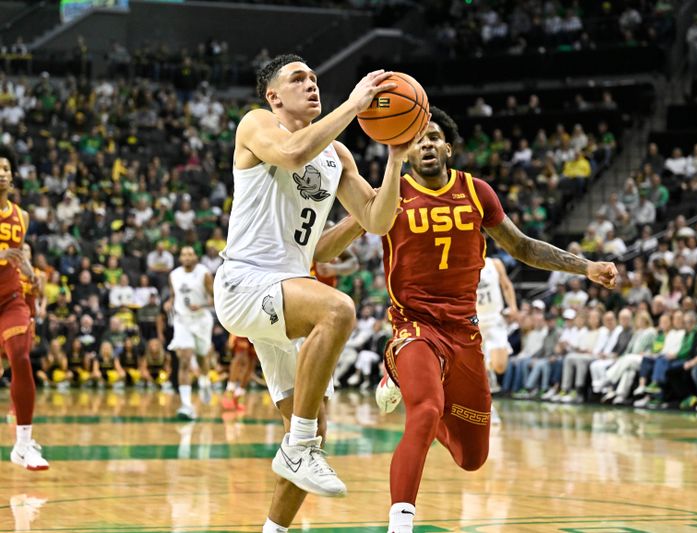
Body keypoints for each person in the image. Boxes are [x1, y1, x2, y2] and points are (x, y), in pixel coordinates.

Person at [316, 106, 617, 533]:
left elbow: (524, 248)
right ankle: (400, 522)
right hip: (414, 325)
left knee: (471, 459)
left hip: (464, 331)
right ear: (404, 145)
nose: (427, 144)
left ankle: (412, 386)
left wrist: (585, 266)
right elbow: (325, 252)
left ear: (449, 148)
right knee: (425, 411)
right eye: (418, 137)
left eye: (435, 136)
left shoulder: (476, 192)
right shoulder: (392, 194)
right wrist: (345, 227)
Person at [212, 54, 418, 533]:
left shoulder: (337, 156)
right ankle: (300, 446)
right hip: (245, 282)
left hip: (287, 289)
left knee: (314, 427)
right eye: (298, 79)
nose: (310, 85)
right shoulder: (257, 124)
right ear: (274, 95)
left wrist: (393, 159)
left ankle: (276, 523)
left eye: (314, 79)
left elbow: (376, 220)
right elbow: (291, 155)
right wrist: (353, 104)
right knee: (338, 309)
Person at [0, 145, 49, 470]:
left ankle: (22, 444)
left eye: (5, 168)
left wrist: (30, 273)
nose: (1, 173)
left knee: (20, 354)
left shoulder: (22, 216)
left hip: (10, 299)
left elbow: (17, 260)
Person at [164, 246, 214, 420]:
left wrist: (202, 305)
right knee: (184, 359)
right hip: (182, 320)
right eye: (184, 254)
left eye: (190, 254)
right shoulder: (174, 275)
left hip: (201, 320)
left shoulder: (204, 273)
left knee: (201, 358)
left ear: (195, 257)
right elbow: (173, 295)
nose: (187, 257)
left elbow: (215, 299)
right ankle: (186, 405)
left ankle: (205, 381)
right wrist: (169, 302)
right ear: (179, 258)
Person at [476, 255, 518, 403]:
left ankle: (488, 367)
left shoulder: (494, 263)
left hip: (495, 320)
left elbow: (506, 285)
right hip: (474, 321)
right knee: (476, 369)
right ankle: (487, 406)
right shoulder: (463, 265)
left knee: (500, 366)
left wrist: (513, 307)